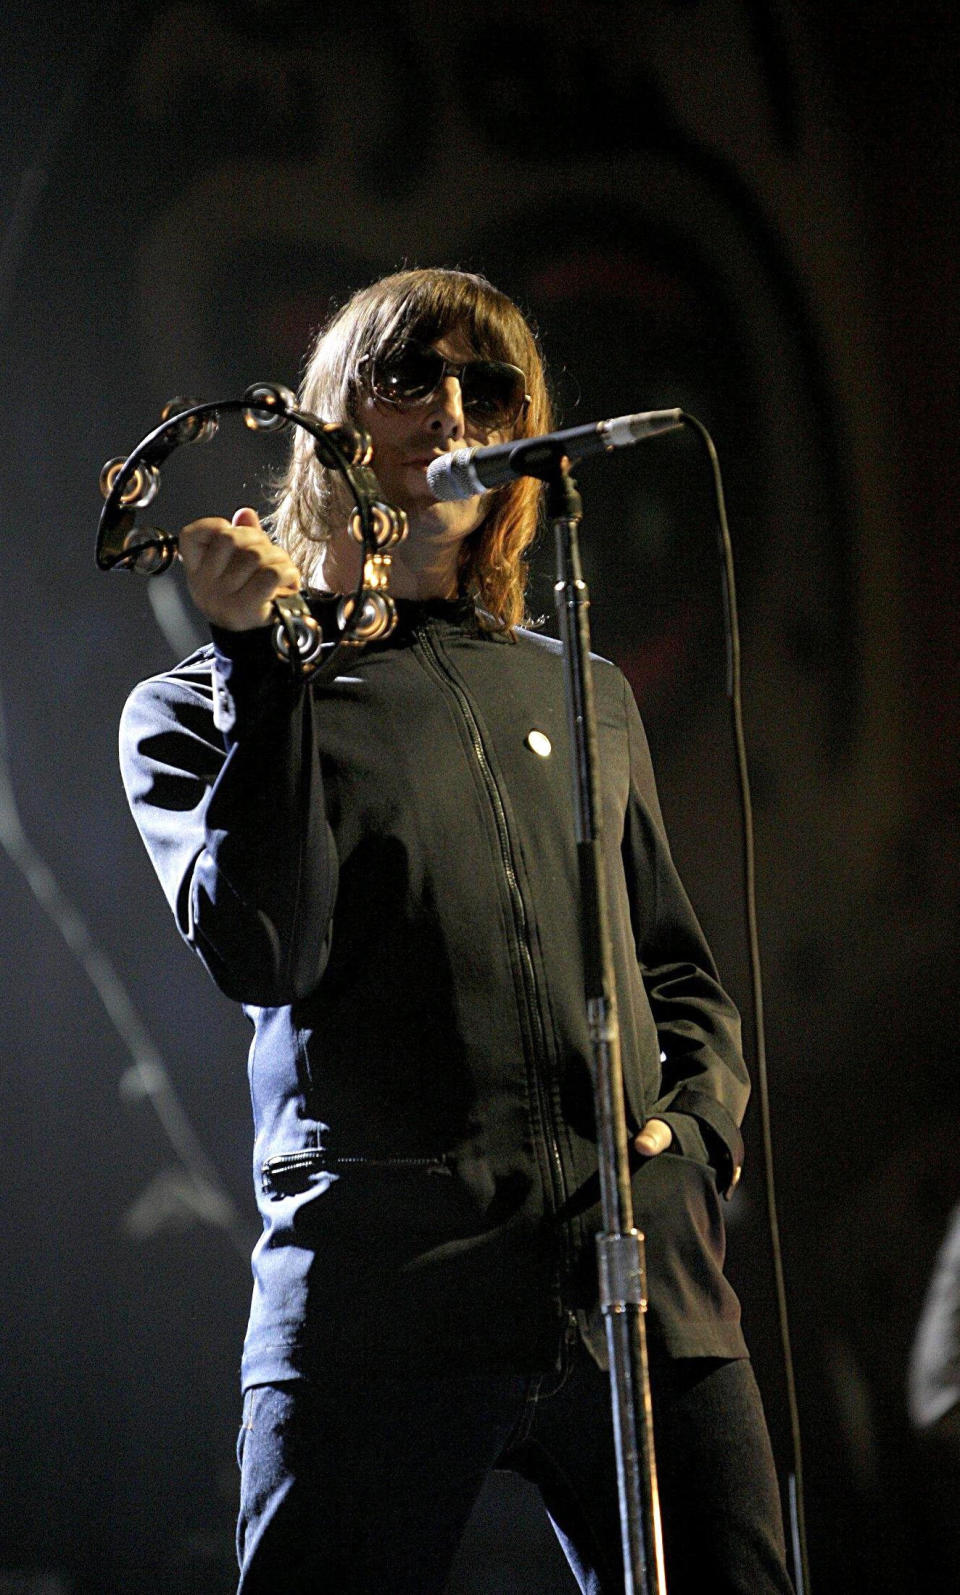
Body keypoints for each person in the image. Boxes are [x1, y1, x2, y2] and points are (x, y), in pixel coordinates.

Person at [119, 267, 794, 1593]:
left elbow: (678, 971)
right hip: (384, 1302)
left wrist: (694, 1135)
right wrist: (261, 668)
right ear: (331, 418)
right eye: (409, 378)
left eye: (490, 389)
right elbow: (266, 951)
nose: (452, 410)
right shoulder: (198, 705)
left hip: (640, 1290)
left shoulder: (582, 687)